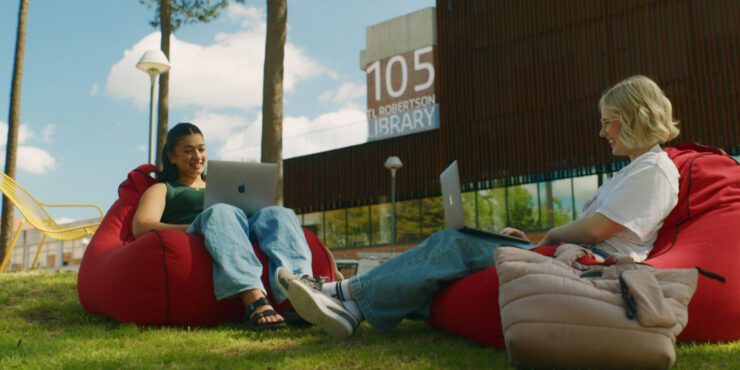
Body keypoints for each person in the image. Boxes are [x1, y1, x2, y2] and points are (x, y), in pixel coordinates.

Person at [276, 75, 681, 339]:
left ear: (634, 117)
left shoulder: (656, 170)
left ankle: (337, 291)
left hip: (592, 268)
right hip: (570, 256)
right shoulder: (631, 171)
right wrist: (534, 240)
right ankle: (348, 312)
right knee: (454, 246)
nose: (602, 131)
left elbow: (597, 231)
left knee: (453, 245)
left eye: (608, 121)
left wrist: (551, 236)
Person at [132, 122, 313, 330]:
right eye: (188, 151)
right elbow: (142, 226)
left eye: (201, 149)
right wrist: (196, 225)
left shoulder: (220, 182)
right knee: (220, 211)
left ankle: (301, 295)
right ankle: (253, 298)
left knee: (278, 212)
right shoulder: (164, 188)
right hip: (201, 230)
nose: (198, 156)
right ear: (172, 156)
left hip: (238, 228)